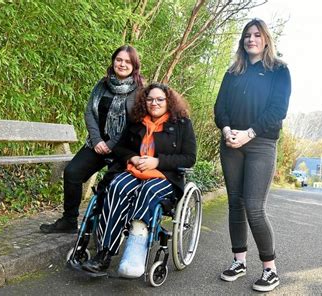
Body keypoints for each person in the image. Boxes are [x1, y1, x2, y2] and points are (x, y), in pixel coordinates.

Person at [81, 83, 196, 277]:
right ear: (144, 101)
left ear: (169, 101)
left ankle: (134, 253)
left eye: (160, 99)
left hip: (164, 176)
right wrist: (132, 158)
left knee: (147, 191)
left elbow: (189, 157)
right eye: (150, 99)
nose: (154, 103)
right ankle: (104, 253)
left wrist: (157, 162)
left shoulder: (182, 124)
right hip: (134, 170)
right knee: (116, 187)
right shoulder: (136, 120)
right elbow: (119, 148)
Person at [214, 18, 291, 292]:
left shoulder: (279, 71)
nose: (251, 39)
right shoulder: (233, 71)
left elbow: (277, 110)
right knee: (235, 203)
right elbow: (219, 107)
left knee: (254, 207)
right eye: (247, 35)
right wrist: (226, 130)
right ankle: (239, 261)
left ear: (266, 39)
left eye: (257, 35)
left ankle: (270, 269)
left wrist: (249, 133)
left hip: (261, 144)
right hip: (231, 143)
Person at [40, 45, 144, 233]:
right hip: (96, 145)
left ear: (134, 65)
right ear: (113, 61)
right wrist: (97, 140)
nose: (122, 64)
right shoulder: (102, 84)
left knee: (111, 186)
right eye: (119, 60)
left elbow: (134, 123)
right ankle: (69, 221)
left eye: (127, 61)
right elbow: (90, 111)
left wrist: (112, 144)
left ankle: (104, 227)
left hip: (123, 149)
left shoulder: (139, 92)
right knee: (72, 172)